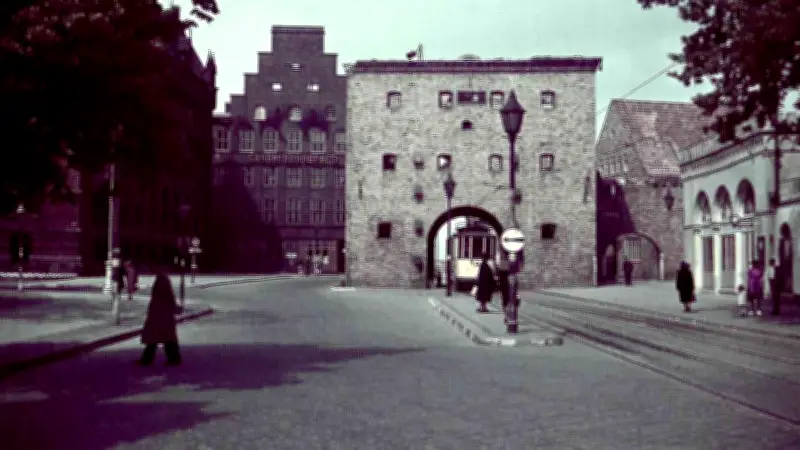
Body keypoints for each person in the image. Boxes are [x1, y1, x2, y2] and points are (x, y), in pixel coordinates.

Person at [138, 269, 182, 366]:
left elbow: (166, 297)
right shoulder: (163, 279)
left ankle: (148, 359)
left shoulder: (162, 280)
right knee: (164, 338)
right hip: (162, 314)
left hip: (160, 314)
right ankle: (173, 358)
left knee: (156, 338)